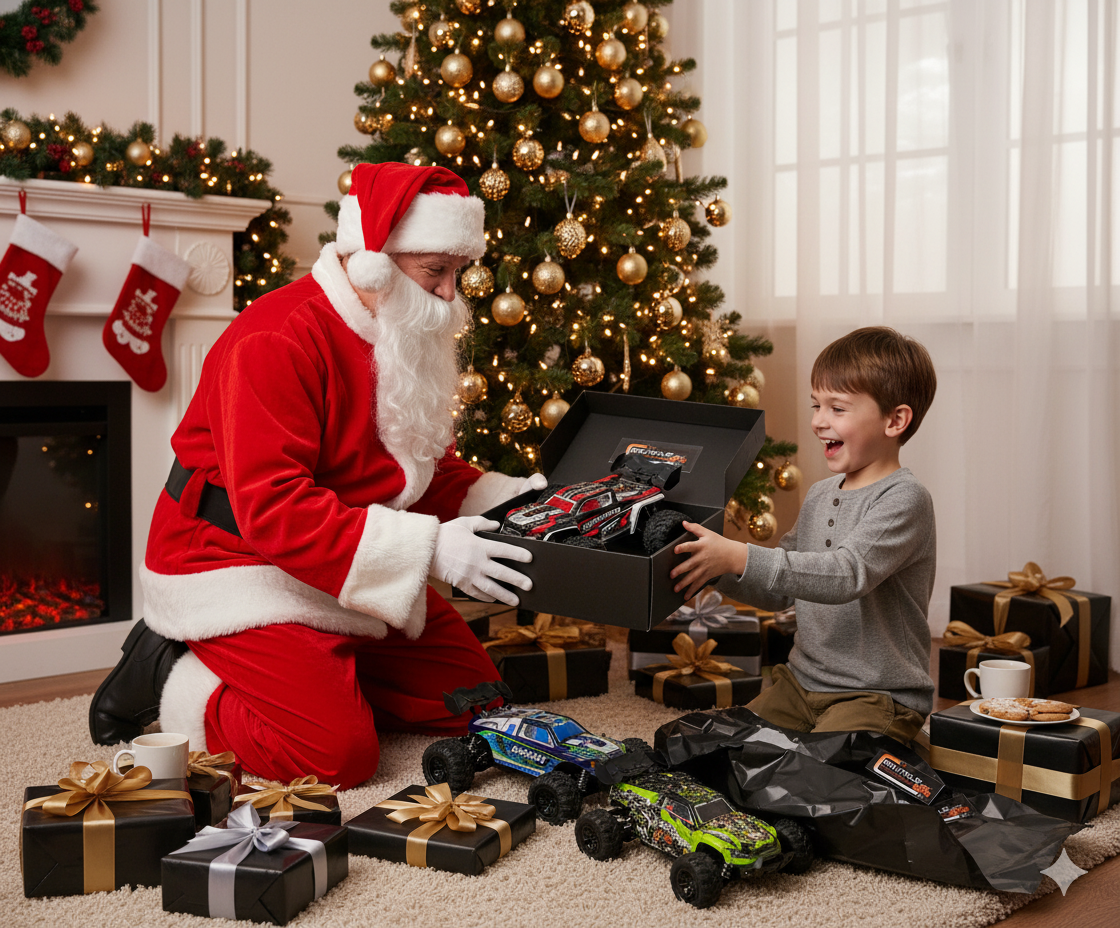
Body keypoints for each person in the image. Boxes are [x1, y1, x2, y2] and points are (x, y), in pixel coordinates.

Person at [89, 162, 546, 789]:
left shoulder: (392, 331)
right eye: (435, 272)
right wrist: (433, 548)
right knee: (337, 758)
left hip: (343, 555)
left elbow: (413, 469)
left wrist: (506, 500)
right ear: (375, 262)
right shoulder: (277, 338)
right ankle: (173, 675)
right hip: (237, 562)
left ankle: (321, 676)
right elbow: (274, 510)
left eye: (457, 274)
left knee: (474, 701)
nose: (449, 295)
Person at [669, 326, 938, 743]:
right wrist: (714, 569)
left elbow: (846, 575)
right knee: (719, 749)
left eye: (837, 408)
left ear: (895, 420)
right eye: (816, 405)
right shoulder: (819, 495)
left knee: (815, 782)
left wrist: (738, 555)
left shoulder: (905, 499)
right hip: (800, 685)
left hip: (876, 695)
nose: (817, 422)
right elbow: (781, 591)